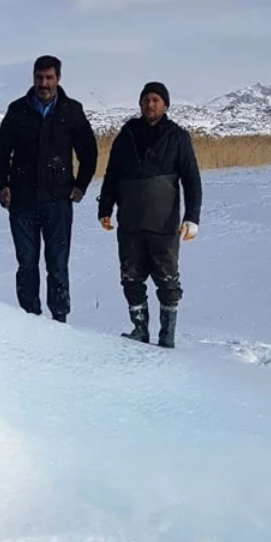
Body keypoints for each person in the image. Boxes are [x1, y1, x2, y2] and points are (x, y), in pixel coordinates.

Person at [0, 55, 97, 322]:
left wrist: (81, 185)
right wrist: (1, 187)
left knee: (57, 265)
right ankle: (31, 320)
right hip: (22, 202)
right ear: (33, 78)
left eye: (49, 78)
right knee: (27, 264)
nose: (44, 83)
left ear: (58, 79)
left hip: (58, 201)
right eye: (39, 77)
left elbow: (89, 152)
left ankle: (59, 320)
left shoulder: (71, 111)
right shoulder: (17, 111)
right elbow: (1, 154)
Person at [97, 81, 201, 348]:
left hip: (164, 224)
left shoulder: (177, 137)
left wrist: (192, 217)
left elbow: (191, 180)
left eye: (155, 99)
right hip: (130, 222)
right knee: (131, 278)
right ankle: (139, 330)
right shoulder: (127, 135)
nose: (150, 104)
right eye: (145, 100)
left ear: (165, 104)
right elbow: (112, 175)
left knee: (168, 282)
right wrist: (105, 208)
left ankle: (167, 336)